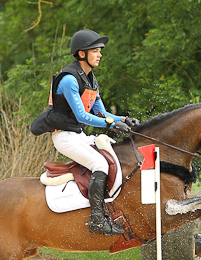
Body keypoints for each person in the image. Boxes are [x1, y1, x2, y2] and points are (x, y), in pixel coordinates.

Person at [31, 29, 140, 236]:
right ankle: (97, 220)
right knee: (99, 164)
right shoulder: (69, 80)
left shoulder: (91, 79)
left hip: (78, 136)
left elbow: (102, 112)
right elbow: (82, 116)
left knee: (111, 154)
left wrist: (123, 119)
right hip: (64, 137)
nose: (100, 55)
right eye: (95, 51)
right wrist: (110, 124)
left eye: (100, 51)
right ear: (82, 54)